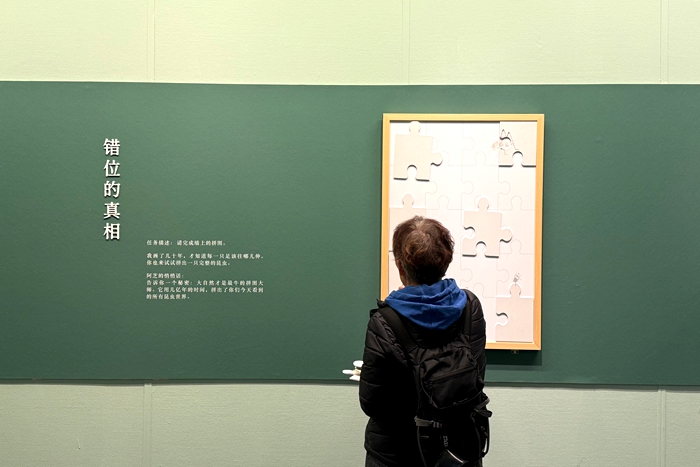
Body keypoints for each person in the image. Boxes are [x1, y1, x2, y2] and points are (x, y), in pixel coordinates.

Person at [360, 216, 487, 467]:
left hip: (397, 454)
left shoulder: (384, 320)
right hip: (457, 451)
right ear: (446, 260)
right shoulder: (470, 306)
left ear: (400, 266)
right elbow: (477, 376)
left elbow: (372, 403)